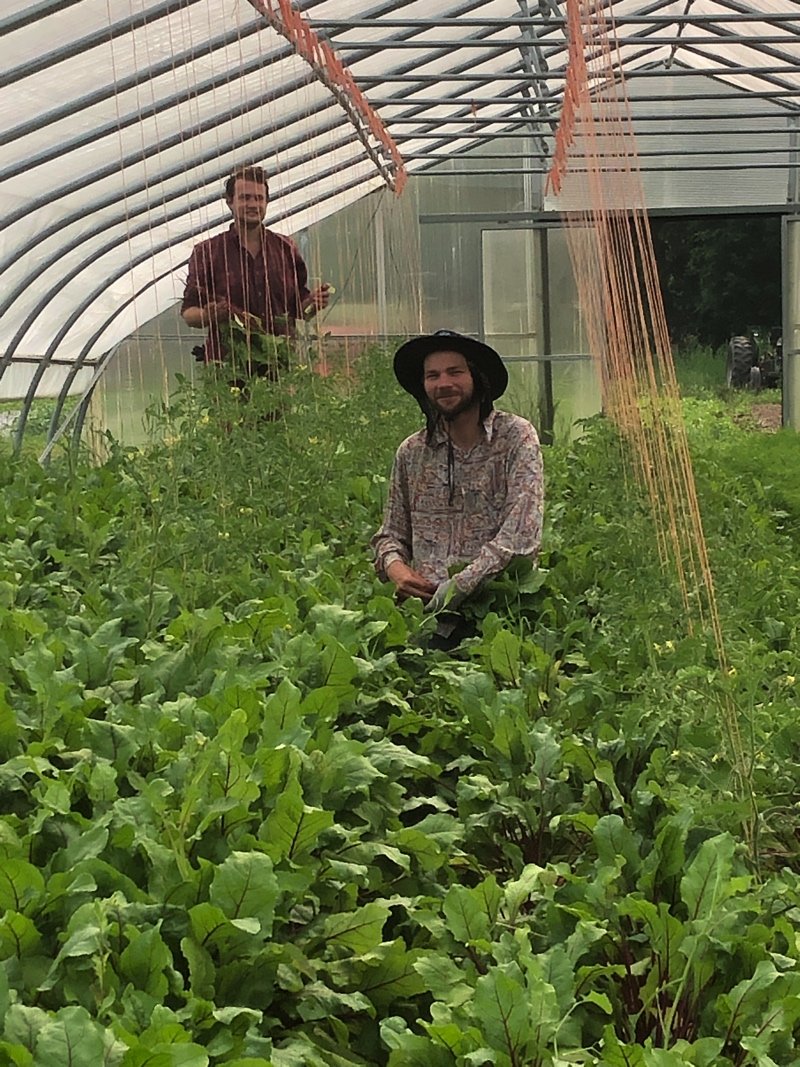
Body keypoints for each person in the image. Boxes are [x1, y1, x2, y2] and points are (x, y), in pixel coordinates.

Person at [372, 330, 544, 647]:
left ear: (477, 378)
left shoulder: (515, 438)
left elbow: (520, 538)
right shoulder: (412, 452)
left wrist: (454, 588)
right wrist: (396, 569)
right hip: (421, 614)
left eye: (455, 372)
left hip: (495, 609)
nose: (443, 384)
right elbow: (391, 534)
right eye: (432, 375)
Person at [181, 164, 331, 375]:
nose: (253, 204)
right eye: (245, 198)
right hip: (227, 367)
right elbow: (189, 313)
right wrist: (209, 315)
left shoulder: (284, 249)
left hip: (278, 365)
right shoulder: (208, 252)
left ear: (266, 203)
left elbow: (298, 312)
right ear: (230, 202)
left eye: (259, 198)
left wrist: (314, 304)